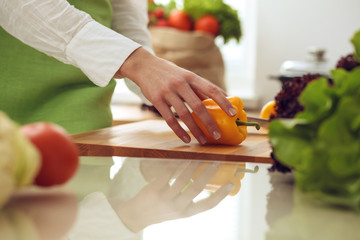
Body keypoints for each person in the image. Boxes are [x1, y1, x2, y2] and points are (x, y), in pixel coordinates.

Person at [0, 0, 237, 145]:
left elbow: (126, 15)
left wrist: (159, 87)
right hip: (9, 124)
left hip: (88, 127)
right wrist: (139, 63)